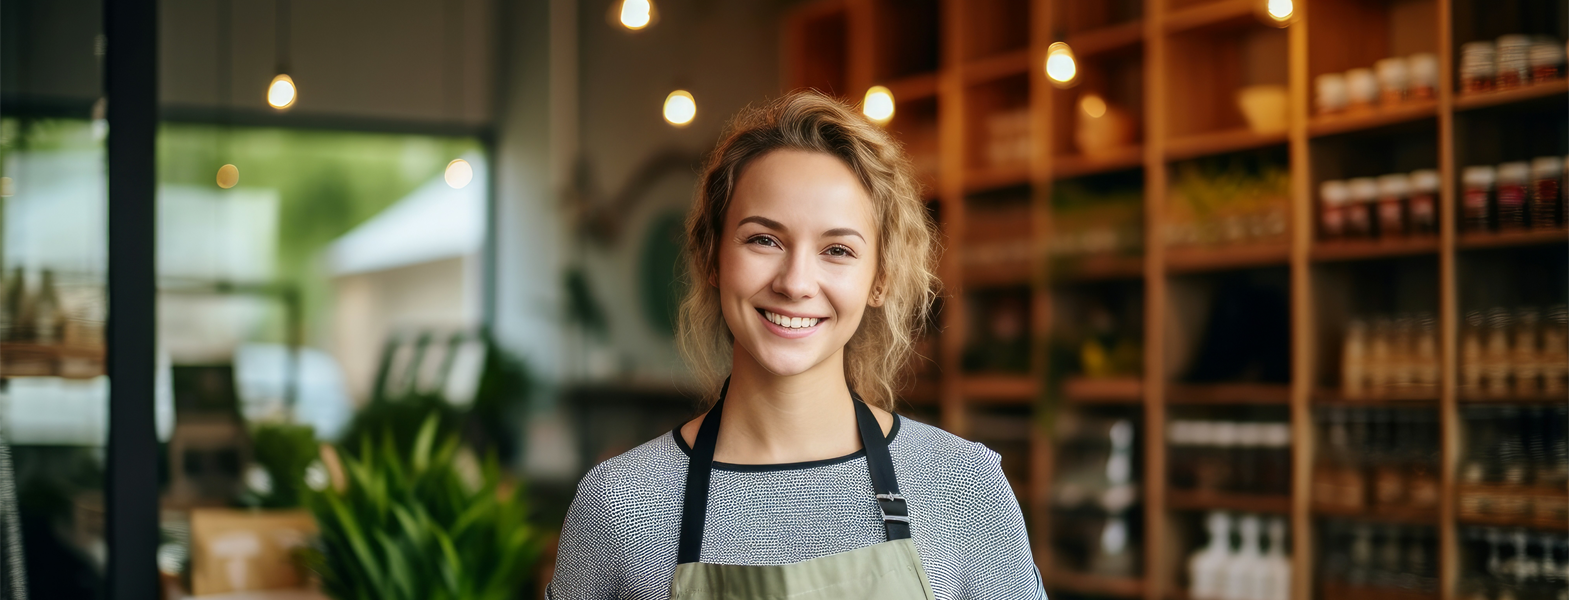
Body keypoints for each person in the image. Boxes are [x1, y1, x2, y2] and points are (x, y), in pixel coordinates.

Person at [547, 90, 1045, 599]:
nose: (796, 282)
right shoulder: (621, 504)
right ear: (711, 256)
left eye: (837, 249)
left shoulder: (962, 489)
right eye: (764, 239)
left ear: (880, 279)